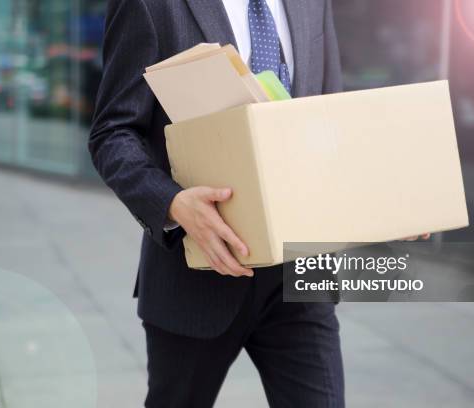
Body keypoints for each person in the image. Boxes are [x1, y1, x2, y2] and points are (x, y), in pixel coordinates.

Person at [89, 0, 345, 406]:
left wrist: (379, 202)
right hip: (194, 279)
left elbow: (330, 117)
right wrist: (173, 204)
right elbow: (112, 132)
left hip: (300, 275)